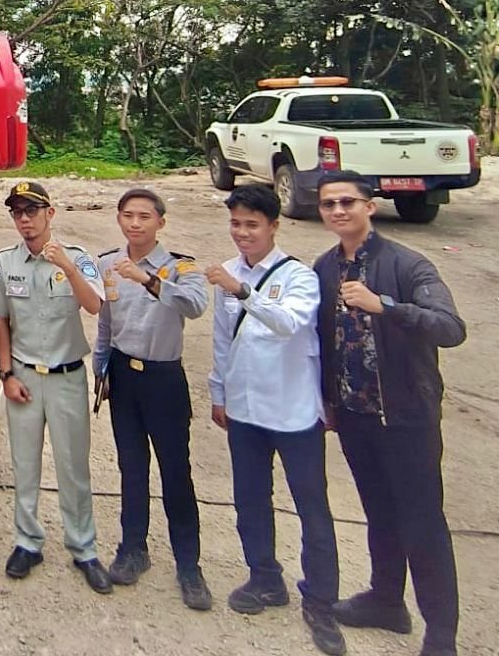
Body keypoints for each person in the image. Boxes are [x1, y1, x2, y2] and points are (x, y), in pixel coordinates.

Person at [313, 171, 465, 656]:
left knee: (421, 521)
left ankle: (441, 632)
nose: (338, 211)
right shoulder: (324, 267)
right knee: (378, 512)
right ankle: (386, 600)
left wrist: (386, 306)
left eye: (347, 203)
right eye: (329, 204)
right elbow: (325, 341)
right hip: (355, 416)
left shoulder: (406, 264)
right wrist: (329, 402)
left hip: (405, 417)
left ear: (369, 207)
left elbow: (449, 327)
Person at [206, 184, 345, 655]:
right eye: (236, 224)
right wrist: (219, 394)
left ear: (272, 226)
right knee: (250, 501)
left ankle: (322, 601)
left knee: (312, 508)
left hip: (294, 413)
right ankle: (264, 577)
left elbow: (288, 323)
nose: (242, 234)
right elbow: (224, 342)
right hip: (245, 412)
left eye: (251, 225)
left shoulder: (300, 277)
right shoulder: (227, 272)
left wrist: (243, 291)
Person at [93, 187, 212, 610]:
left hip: (164, 378)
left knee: (175, 471)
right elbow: (106, 321)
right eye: (128, 215)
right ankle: (132, 549)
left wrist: (149, 279)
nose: (136, 223)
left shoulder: (182, 266)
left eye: (145, 216)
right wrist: (101, 368)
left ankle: (189, 565)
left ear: (161, 222)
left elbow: (196, 306)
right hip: (124, 376)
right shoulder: (109, 263)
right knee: (131, 467)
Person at [0, 181, 112, 593]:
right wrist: (6, 374)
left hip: (66, 378)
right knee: (24, 465)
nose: (24, 219)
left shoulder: (77, 258)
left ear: (50, 214)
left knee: (73, 466)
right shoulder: (6, 263)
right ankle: (28, 542)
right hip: (24, 376)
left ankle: (84, 547)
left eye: (32, 211)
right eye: (17, 212)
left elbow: (95, 305)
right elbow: (2, 321)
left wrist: (69, 268)